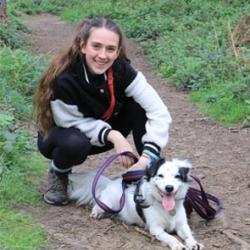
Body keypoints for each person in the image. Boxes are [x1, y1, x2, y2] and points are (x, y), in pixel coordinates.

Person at [33, 17, 172, 206]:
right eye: (96, 46)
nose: (102, 55)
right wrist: (115, 136)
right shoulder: (65, 79)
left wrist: (148, 156)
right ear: (83, 46)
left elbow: (159, 111)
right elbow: (71, 123)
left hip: (101, 133)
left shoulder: (123, 71)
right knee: (75, 144)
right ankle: (60, 173)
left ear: (118, 52)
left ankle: (149, 172)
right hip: (60, 136)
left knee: (138, 106)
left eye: (110, 49)